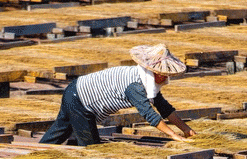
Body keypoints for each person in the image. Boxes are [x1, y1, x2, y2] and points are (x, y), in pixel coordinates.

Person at [40, 43, 195, 146]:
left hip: (74, 93)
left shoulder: (148, 82)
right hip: (80, 101)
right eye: (162, 73)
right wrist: (173, 135)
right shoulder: (136, 85)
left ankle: (38, 153)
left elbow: (164, 108)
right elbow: (149, 114)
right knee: (92, 149)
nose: (165, 77)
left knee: (59, 132)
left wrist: (186, 130)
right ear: (153, 71)